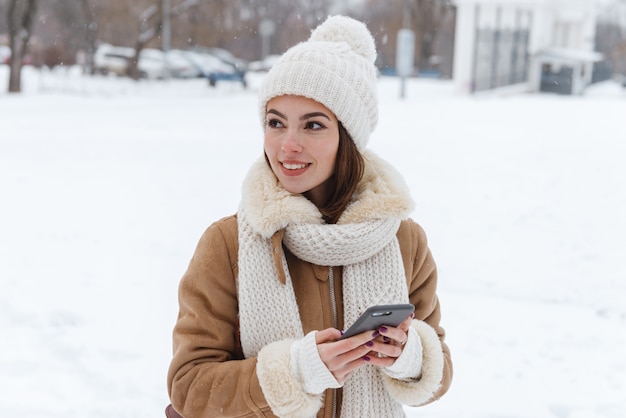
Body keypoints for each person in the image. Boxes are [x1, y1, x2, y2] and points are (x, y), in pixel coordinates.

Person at [166, 15, 452, 418]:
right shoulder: (227, 243)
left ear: (347, 138)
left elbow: (440, 371)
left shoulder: (404, 240)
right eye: (275, 123)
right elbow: (189, 388)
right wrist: (295, 371)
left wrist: (410, 356)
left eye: (313, 125)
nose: (288, 146)